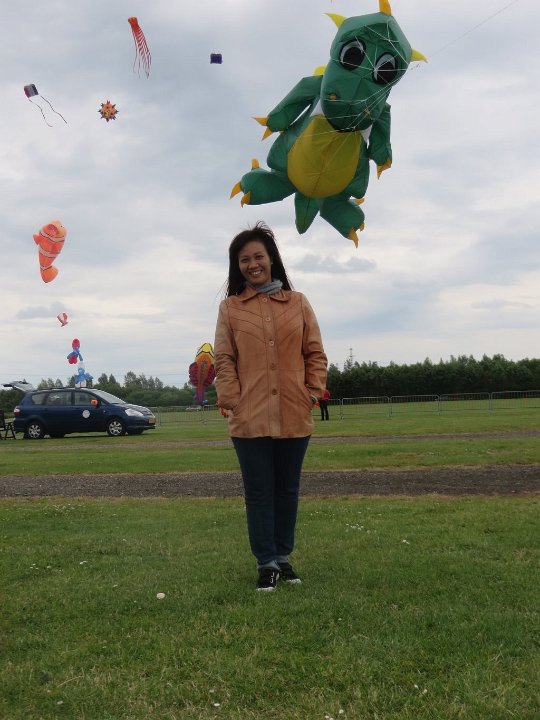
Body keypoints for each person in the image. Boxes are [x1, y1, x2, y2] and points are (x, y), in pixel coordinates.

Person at [214, 221, 328, 592]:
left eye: (258, 256)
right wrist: (231, 399)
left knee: (287, 491)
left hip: (294, 412)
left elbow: (315, 353)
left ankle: (283, 557)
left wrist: (312, 392)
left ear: (272, 259)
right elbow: (224, 358)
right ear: (238, 266)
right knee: (259, 493)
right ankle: (266, 563)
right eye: (244, 259)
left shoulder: (298, 303)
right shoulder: (231, 309)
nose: (253, 264)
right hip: (249, 417)